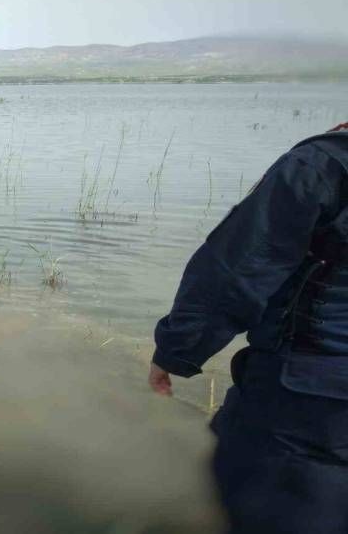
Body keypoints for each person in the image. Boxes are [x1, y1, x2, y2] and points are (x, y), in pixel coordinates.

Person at [149, 123, 348, 534]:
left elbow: (234, 274)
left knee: (224, 503)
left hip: (306, 404)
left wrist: (174, 352)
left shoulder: (322, 164)